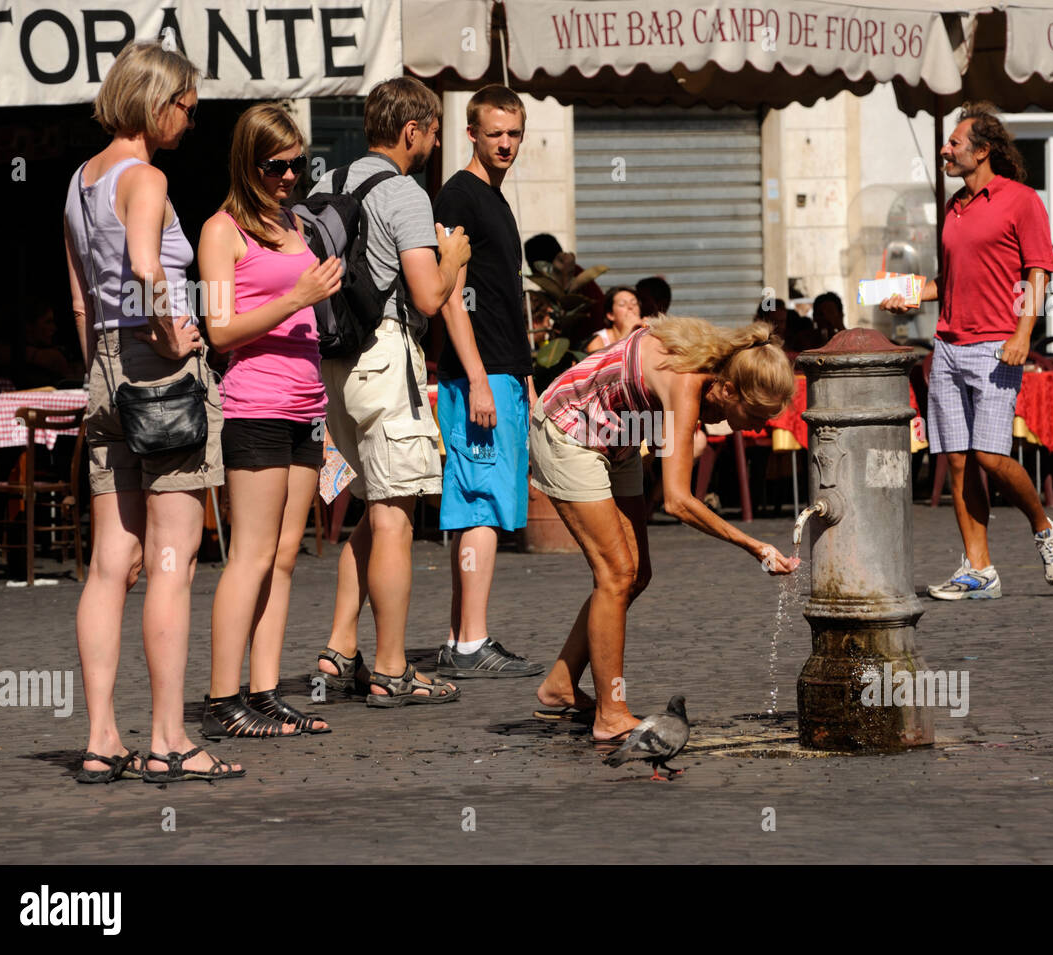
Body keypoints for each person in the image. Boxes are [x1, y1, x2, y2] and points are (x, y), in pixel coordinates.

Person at [64, 40, 240, 782]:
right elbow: (143, 265)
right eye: (187, 108)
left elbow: (80, 297)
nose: (191, 121)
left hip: (104, 370)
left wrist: (101, 368)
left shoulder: (79, 180)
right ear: (156, 101)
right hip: (158, 373)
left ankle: (103, 735)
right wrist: (170, 330)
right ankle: (169, 735)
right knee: (173, 559)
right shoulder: (146, 178)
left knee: (112, 563)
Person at [531, 317, 799, 740]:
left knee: (637, 574)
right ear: (729, 390)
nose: (759, 427)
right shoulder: (690, 383)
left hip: (616, 438)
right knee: (616, 575)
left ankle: (561, 686)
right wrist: (753, 545)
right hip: (571, 429)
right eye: (756, 414)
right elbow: (677, 499)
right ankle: (611, 714)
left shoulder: (715, 363)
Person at [310, 77, 469, 705]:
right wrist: (453, 253)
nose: (434, 141)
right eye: (432, 130)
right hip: (384, 356)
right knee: (395, 514)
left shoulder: (331, 182)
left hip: (335, 365)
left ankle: (339, 648)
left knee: (373, 510)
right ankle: (392, 668)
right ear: (413, 132)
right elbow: (430, 295)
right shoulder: (403, 192)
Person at [880, 101, 1053, 599]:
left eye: (955, 144)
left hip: (997, 347)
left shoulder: (1021, 201)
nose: (946, 151)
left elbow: (1039, 272)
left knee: (989, 457)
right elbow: (952, 280)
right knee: (959, 461)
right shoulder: (954, 208)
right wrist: (910, 294)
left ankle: (1045, 529)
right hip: (946, 346)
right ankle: (979, 570)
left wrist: (1023, 333)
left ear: (983, 151)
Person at [197, 104, 341, 737]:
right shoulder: (220, 231)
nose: (289, 176)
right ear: (247, 163)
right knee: (251, 554)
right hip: (254, 403)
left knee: (284, 556)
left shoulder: (292, 223)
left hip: (306, 403)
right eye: (276, 165)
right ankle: (221, 698)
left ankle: (264, 690)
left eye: (297, 164)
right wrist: (295, 297)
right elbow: (219, 331)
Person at [433, 85, 543, 679]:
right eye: (496, 132)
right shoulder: (460, 195)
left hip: (503, 370)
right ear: (471, 133)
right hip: (478, 372)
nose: (506, 143)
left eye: (515, 133)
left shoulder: (494, 198)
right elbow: (451, 293)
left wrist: (522, 374)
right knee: (480, 501)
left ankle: (458, 637)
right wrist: (478, 376)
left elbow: (501, 298)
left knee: (481, 498)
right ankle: (473, 641)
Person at [586, 286, 646, 353]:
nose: (630, 307)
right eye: (622, 304)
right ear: (611, 315)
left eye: (634, 303)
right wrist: (625, 333)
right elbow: (600, 362)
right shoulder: (598, 340)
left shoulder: (646, 332)